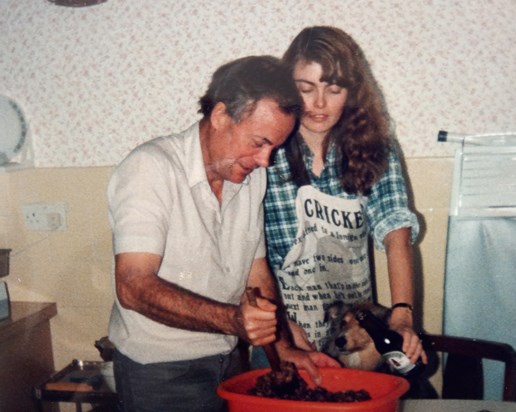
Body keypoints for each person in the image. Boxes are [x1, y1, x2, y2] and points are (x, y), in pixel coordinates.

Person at [107, 55, 337, 412]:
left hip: (228, 361)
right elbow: (133, 287)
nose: (265, 161)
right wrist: (233, 320)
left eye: (274, 148)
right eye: (258, 142)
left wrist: (281, 345)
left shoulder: (251, 177)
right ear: (219, 116)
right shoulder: (149, 168)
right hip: (159, 372)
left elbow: (255, 271)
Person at [252, 26, 427, 370]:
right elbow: (246, 252)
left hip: (352, 335)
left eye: (333, 89)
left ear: (352, 92)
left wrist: (403, 313)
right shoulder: (266, 152)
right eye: (306, 88)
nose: (319, 104)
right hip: (282, 330)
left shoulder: (375, 147)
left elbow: (396, 232)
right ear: (289, 89)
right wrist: (283, 329)